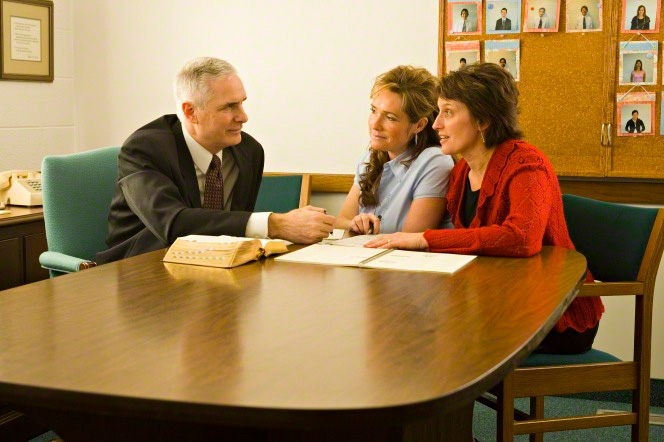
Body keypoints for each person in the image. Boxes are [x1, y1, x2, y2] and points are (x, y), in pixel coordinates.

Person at [366, 63, 604, 354]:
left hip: (553, 314)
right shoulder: (461, 172)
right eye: (438, 112)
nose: (437, 123)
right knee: (406, 321)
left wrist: (424, 238)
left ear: (482, 120)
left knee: (427, 336)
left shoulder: (527, 164)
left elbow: (522, 238)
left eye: (448, 112)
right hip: (496, 303)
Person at [96, 57, 336, 264]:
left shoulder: (248, 151)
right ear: (191, 112)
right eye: (229, 107)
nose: (243, 117)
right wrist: (275, 224)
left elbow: (233, 231)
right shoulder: (145, 149)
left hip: (212, 271)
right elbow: (172, 224)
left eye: (242, 103)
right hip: (139, 272)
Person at [335, 66, 454, 235]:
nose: (375, 125)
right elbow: (340, 222)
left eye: (390, 117)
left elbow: (409, 240)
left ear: (419, 125)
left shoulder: (435, 161)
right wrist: (354, 224)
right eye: (373, 111)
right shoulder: (369, 158)